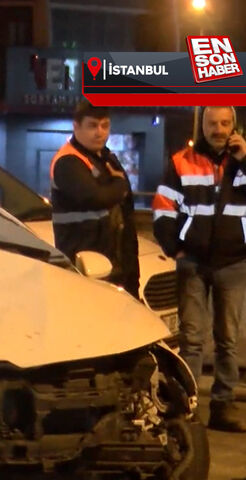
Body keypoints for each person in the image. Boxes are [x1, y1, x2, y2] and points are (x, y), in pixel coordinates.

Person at [152, 105, 246, 432]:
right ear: (201, 125)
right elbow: (163, 209)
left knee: (227, 340)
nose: (218, 129)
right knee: (191, 340)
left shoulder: (243, 162)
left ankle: (223, 406)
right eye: (212, 123)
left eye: (224, 123)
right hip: (191, 261)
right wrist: (173, 248)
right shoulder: (182, 162)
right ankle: (187, 409)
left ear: (234, 125)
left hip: (233, 262)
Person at [50, 100, 139, 298]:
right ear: (76, 126)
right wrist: (120, 185)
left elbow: (125, 213)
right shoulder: (68, 161)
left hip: (114, 265)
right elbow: (95, 198)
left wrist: (131, 272)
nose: (99, 132)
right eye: (92, 126)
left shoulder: (105, 158)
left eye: (105, 125)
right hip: (85, 267)